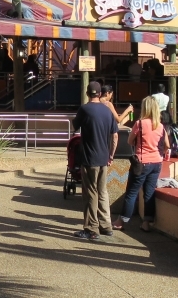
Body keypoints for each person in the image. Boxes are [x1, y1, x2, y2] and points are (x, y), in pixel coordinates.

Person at [72, 81, 120, 241]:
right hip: (103, 157)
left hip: (89, 157)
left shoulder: (84, 109)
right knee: (102, 191)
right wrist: (111, 155)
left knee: (90, 192)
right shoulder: (107, 111)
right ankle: (106, 226)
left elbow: (75, 126)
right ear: (100, 94)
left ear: (87, 93)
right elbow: (115, 135)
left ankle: (91, 229)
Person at [115, 95, 169, 231]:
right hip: (156, 162)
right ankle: (147, 222)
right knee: (149, 193)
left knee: (132, 192)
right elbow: (167, 145)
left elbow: (129, 141)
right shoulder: (160, 126)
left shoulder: (140, 123)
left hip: (141, 162)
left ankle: (121, 221)